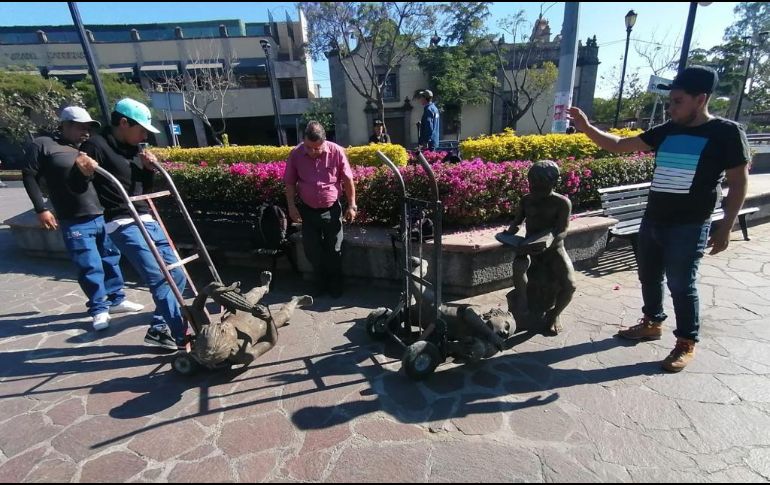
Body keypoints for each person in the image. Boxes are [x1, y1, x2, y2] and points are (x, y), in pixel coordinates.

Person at [567, 66, 750, 372]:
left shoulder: (726, 133)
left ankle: (686, 342)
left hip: (690, 225)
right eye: (670, 101)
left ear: (700, 99)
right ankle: (652, 323)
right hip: (653, 220)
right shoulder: (669, 130)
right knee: (649, 276)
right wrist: (586, 126)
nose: (671, 107)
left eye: (678, 101)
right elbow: (617, 145)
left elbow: (739, 182)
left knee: (681, 284)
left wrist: (726, 227)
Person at [70, 98, 187, 351]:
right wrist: (81, 171)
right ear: (123, 122)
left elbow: (141, 191)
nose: (144, 135)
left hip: (146, 217)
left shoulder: (134, 150)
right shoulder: (95, 146)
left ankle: (159, 328)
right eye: (142, 129)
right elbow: (77, 188)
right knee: (159, 276)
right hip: (122, 223)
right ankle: (182, 335)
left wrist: (147, 170)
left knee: (177, 271)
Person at [22, 106, 143, 331]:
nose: (85, 132)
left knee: (110, 257)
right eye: (80, 127)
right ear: (64, 125)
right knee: (89, 264)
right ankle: (99, 309)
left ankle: (116, 299)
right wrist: (41, 209)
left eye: (88, 128)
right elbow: (29, 176)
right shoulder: (43, 145)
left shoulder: (87, 147)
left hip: (102, 213)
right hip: (74, 216)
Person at [284, 121, 357, 298]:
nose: (312, 152)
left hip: (332, 209)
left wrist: (352, 205)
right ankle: (319, 283)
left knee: (334, 250)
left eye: (317, 148)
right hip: (307, 211)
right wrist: (292, 207)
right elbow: (289, 183)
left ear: (324, 141)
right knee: (312, 250)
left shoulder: (336, 151)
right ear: (304, 140)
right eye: (309, 147)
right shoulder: (296, 154)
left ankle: (335, 284)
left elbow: (348, 181)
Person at [503, 160, 576, 336]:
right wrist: (506, 235)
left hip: (553, 250)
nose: (534, 188)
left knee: (570, 285)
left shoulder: (562, 203)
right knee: (519, 266)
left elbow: (563, 230)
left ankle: (553, 315)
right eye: (532, 183)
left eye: (540, 184)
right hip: (529, 248)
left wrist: (548, 242)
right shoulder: (526, 200)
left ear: (553, 183)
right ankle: (523, 306)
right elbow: (517, 223)